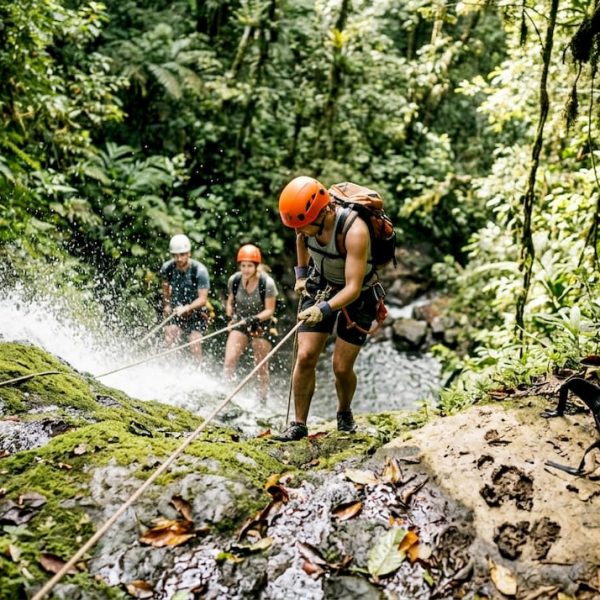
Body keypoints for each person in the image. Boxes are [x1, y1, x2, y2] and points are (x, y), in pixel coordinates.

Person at [275, 175, 385, 441]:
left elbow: (352, 288)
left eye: (305, 226)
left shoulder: (354, 231)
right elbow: (301, 238)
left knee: (340, 368)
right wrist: (301, 275)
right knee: (305, 356)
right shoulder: (304, 221)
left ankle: (344, 412)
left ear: (324, 212)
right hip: (320, 282)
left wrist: (322, 309)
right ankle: (299, 424)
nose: (301, 231)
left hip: (359, 295)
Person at [223, 244, 278, 402]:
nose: (246, 269)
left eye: (249, 266)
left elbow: (269, 310)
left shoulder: (267, 283)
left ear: (256, 266)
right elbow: (230, 301)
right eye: (243, 266)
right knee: (230, 360)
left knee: (261, 365)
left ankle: (262, 398)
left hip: (262, 324)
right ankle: (228, 395)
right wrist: (230, 318)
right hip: (240, 321)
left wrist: (254, 319)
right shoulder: (234, 280)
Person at [159, 234, 210, 361]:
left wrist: (187, 308)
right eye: (175, 255)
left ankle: (198, 369)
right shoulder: (167, 268)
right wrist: (167, 305)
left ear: (189, 253)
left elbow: (202, 299)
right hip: (177, 310)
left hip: (197, 312)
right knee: (170, 334)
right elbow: (165, 290)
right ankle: (171, 367)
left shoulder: (200, 271)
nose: (179, 258)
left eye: (182, 255)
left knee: (194, 341)